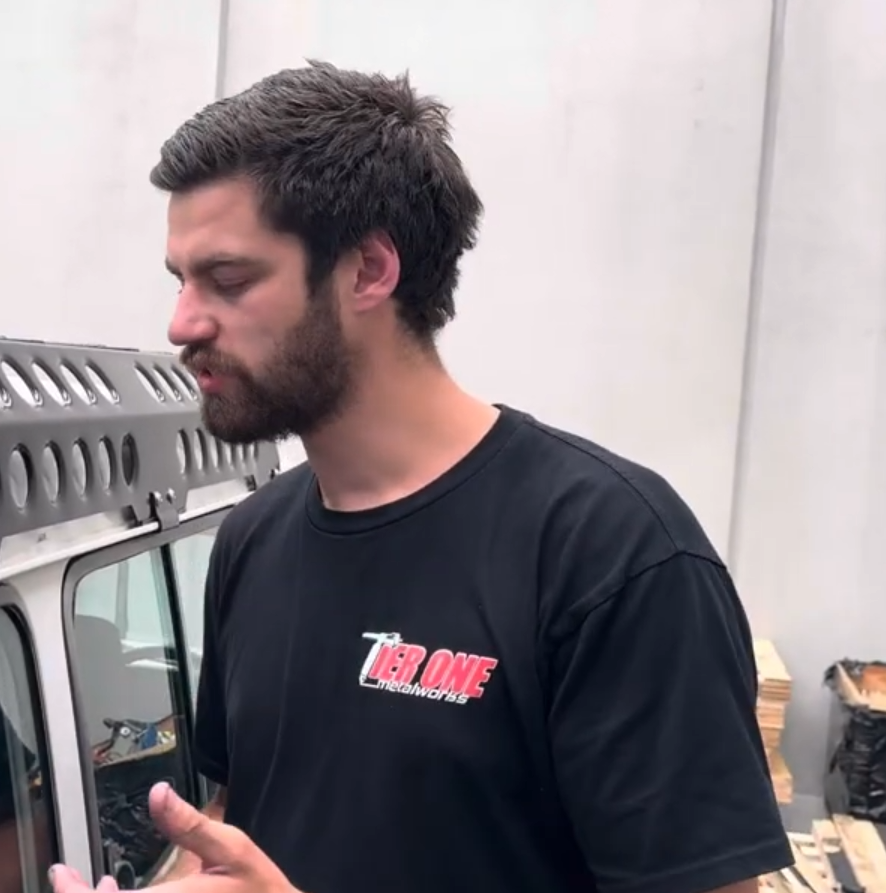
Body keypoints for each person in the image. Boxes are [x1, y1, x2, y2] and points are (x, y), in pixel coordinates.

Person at [50, 61, 792, 893]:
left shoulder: (609, 552)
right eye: (180, 281)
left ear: (369, 270)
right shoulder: (254, 540)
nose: (182, 323)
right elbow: (234, 826)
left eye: (228, 280)